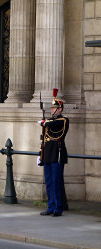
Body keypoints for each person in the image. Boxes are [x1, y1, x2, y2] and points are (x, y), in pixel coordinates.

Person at [38, 89, 69, 217]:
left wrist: (45, 122)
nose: (52, 110)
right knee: (49, 182)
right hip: (48, 154)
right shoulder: (49, 123)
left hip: (57, 153)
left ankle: (58, 208)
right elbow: (44, 140)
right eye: (51, 108)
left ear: (60, 109)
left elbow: (56, 124)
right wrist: (40, 154)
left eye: (54, 108)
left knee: (56, 182)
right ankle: (50, 206)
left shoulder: (63, 120)